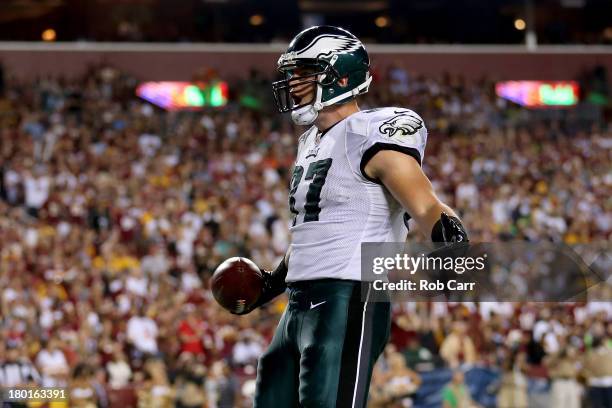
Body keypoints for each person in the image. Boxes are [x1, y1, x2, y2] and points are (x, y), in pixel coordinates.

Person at [226, 25, 469, 407]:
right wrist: (272, 283)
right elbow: (316, 228)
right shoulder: (311, 141)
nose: (293, 83)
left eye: (304, 72)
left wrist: (451, 243)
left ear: (338, 75)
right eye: (292, 73)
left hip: (350, 294)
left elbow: (424, 204)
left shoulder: (371, 132)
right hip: (299, 300)